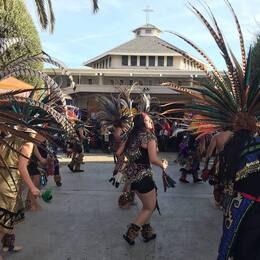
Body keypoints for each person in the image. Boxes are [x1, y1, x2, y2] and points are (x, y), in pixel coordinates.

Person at [116, 113, 168, 245]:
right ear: (143, 123)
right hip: (144, 177)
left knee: (146, 205)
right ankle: (131, 233)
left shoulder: (130, 136)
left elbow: (118, 153)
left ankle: (147, 232)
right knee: (149, 207)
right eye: (148, 120)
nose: (151, 122)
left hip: (132, 177)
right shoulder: (149, 136)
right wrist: (164, 165)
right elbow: (153, 159)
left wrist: (125, 164)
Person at [0, 133, 40, 258]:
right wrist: (33, 187)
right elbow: (22, 168)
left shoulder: (8, 138)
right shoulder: (28, 143)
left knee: (11, 214)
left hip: (3, 178)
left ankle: (8, 244)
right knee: (6, 217)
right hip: (10, 183)